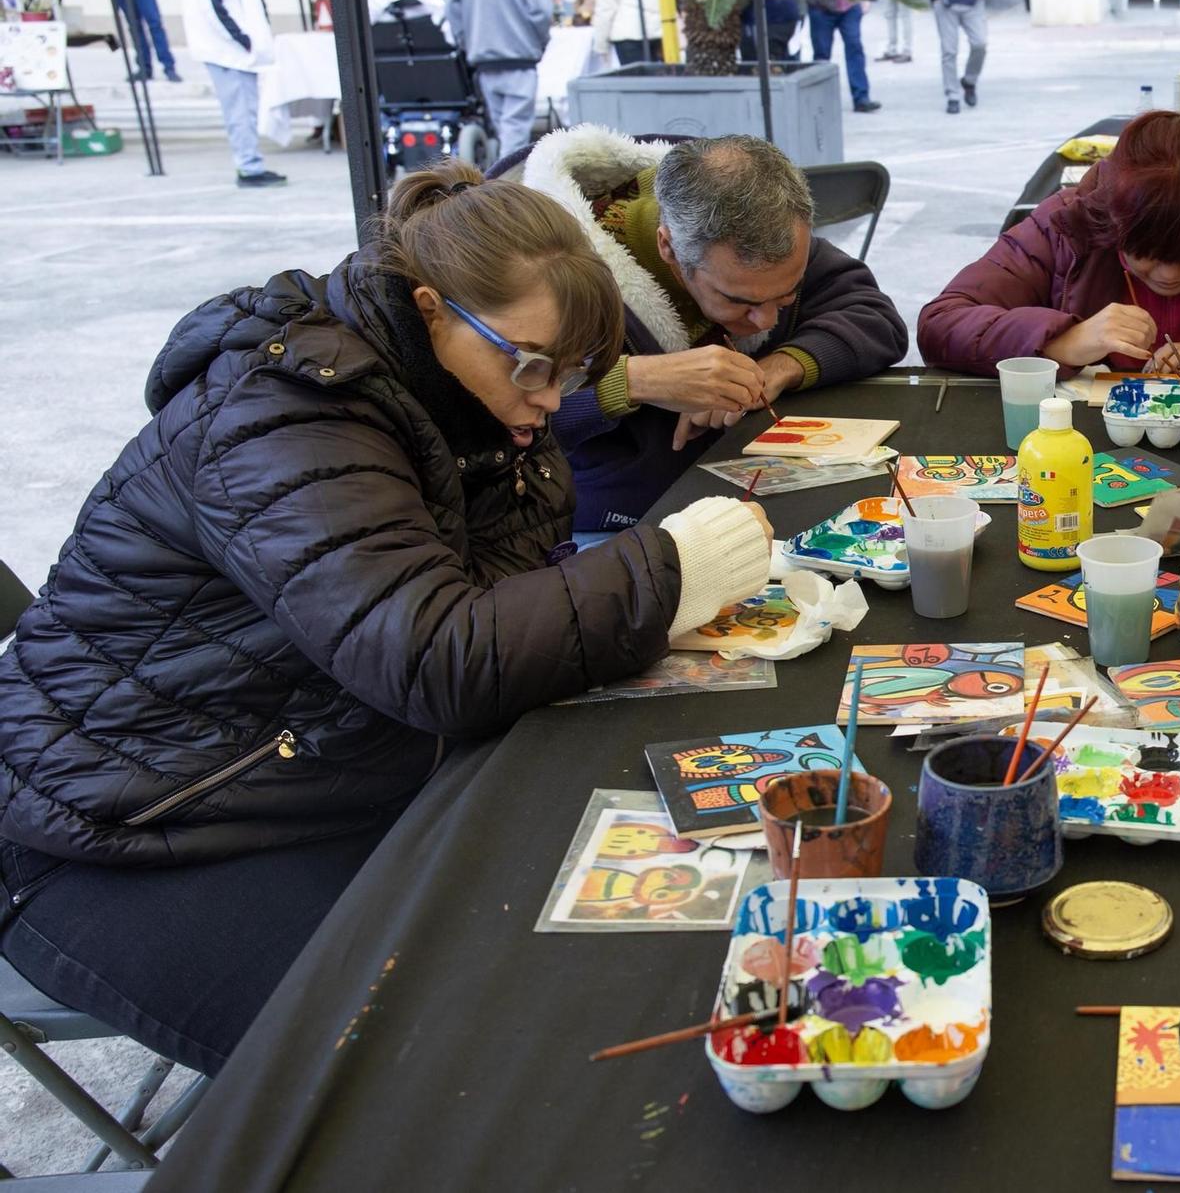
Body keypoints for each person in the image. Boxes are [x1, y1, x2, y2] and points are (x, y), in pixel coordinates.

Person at [0, 163, 774, 1076]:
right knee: (429, 1060)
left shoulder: (477, 407)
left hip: (319, 765)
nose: (549, 399)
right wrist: (663, 568)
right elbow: (432, 656)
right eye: (529, 365)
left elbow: (493, 610)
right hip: (125, 820)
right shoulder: (283, 414)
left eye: (574, 374)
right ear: (430, 306)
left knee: (586, 940)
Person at [510, 128, 908, 534]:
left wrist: (777, 368)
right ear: (669, 249)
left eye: (786, 295)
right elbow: (487, 412)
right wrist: (635, 380)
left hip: (752, 494)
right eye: (741, 302)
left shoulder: (770, 239)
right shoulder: (550, 274)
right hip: (616, 523)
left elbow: (874, 317)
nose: (767, 321)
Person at [919, 111, 1180, 375]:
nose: (1169, 275)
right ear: (1115, 223)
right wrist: (1061, 342)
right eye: (1147, 255)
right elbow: (941, 324)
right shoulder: (1067, 226)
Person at [178, 0, 285, 188]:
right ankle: (249, 167)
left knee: (244, 108)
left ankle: (250, 162)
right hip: (227, 48)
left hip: (232, 47)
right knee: (239, 109)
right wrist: (241, 37)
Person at [444, 0, 552, 160]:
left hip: (483, 58)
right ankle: (506, 184)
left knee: (503, 125)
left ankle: (499, 180)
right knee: (515, 130)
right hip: (520, 57)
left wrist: (467, 42)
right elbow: (542, 9)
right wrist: (538, 42)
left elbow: (453, 10)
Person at [591, 0, 664, 66]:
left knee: (636, 79)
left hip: (629, 32)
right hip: (663, 30)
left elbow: (606, 3)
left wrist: (601, 44)